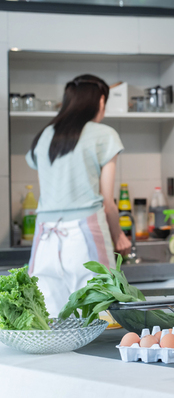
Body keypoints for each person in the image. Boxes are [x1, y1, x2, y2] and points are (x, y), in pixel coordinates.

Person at [26, 74, 132, 317]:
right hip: (85, 232)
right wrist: (119, 235)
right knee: (97, 315)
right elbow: (107, 201)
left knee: (48, 318)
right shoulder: (104, 135)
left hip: (45, 236)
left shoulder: (44, 136)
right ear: (101, 101)